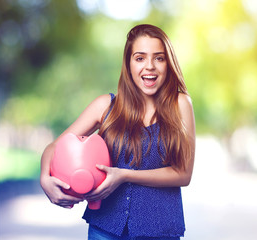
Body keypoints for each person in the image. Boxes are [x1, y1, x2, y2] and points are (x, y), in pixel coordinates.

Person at [40, 24, 196, 240]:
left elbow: (183, 174)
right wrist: (44, 178)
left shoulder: (180, 104)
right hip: (105, 230)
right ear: (128, 63)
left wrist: (123, 175)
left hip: (159, 232)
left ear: (168, 64)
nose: (149, 66)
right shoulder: (105, 106)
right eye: (140, 58)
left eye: (159, 58)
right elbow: (54, 148)